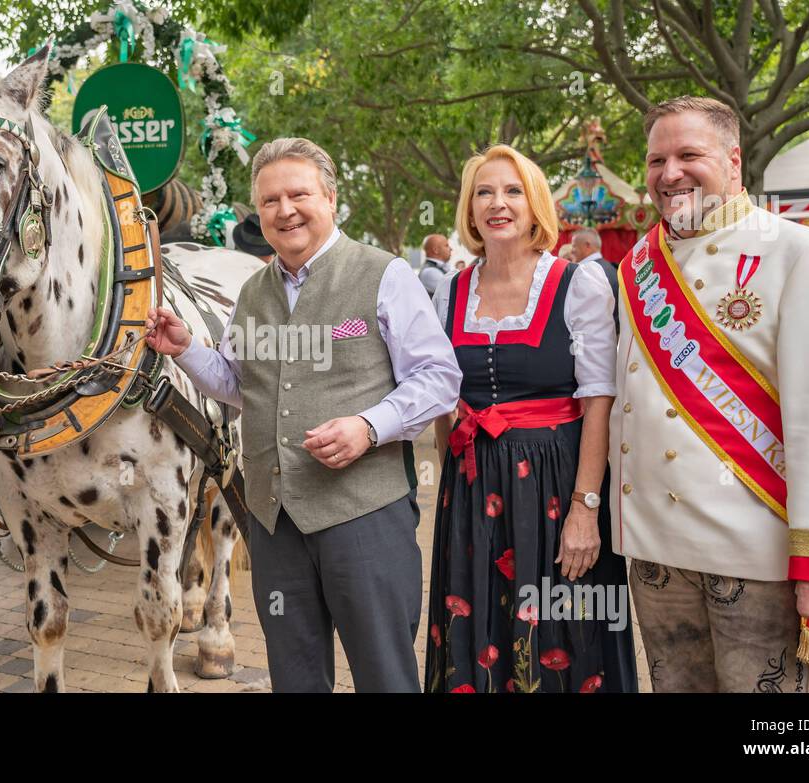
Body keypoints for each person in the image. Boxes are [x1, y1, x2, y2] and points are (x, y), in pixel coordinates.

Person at [146, 137, 461, 693]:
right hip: (274, 523)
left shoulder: (384, 275)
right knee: (293, 676)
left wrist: (369, 426)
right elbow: (242, 386)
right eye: (270, 201)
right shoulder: (253, 291)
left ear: (330, 198)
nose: (284, 210)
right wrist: (187, 349)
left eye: (298, 194)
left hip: (364, 517)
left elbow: (440, 380)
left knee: (385, 674)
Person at [615, 96, 809, 692]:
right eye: (656, 159)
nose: (670, 174)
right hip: (656, 551)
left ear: (734, 160)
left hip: (757, 548)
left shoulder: (804, 253)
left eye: (689, 155)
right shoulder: (638, 265)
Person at [424, 145, 636, 694]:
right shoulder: (452, 290)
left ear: (535, 204)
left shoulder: (578, 284)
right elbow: (446, 394)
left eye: (513, 191)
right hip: (473, 488)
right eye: (485, 192)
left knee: (562, 629)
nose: (499, 203)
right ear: (470, 210)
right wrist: (452, 479)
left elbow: (598, 400)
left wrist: (586, 509)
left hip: (554, 484)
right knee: (480, 623)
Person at [571, 227, 619, 329]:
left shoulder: (585, 272)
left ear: (587, 245)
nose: (572, 251)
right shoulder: (612, 269)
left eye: (574, 246)